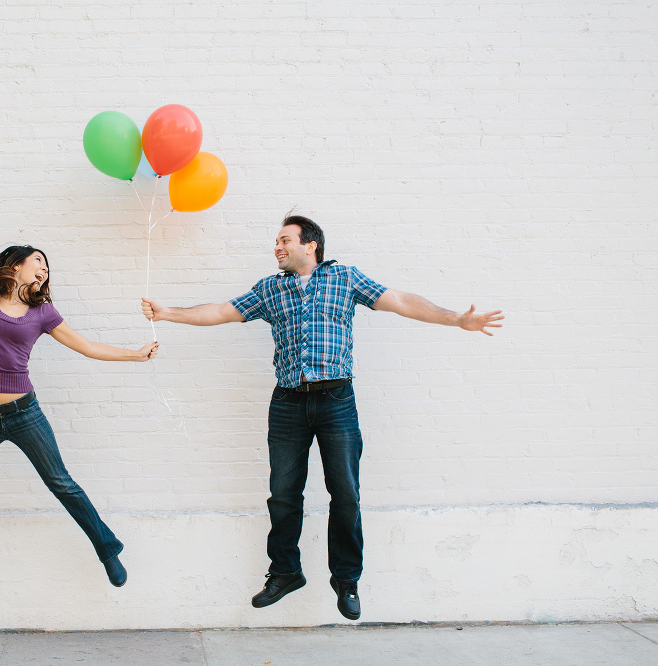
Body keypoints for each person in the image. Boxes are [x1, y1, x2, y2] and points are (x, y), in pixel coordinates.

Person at [141, 214, 502, 620]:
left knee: (346, 494)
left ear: (309, 244)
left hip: (336, 402)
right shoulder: (270, 289)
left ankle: (346, 581)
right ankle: (285, 572)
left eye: (284, 240)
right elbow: (222, 311)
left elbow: (400, 301)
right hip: (288, 405)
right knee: (283, 494)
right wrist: (167, 312)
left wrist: (457, 319)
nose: (277, 247)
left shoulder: (344, 278)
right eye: (276, 241)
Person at [0, 179, 159, 612]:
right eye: (37, 261)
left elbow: (86, 345)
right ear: (17, 266)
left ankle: (108, 550)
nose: (43, 268)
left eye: (47, 265)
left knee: (61, 482)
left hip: (24, 413)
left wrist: (133, 356)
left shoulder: (43, 313)